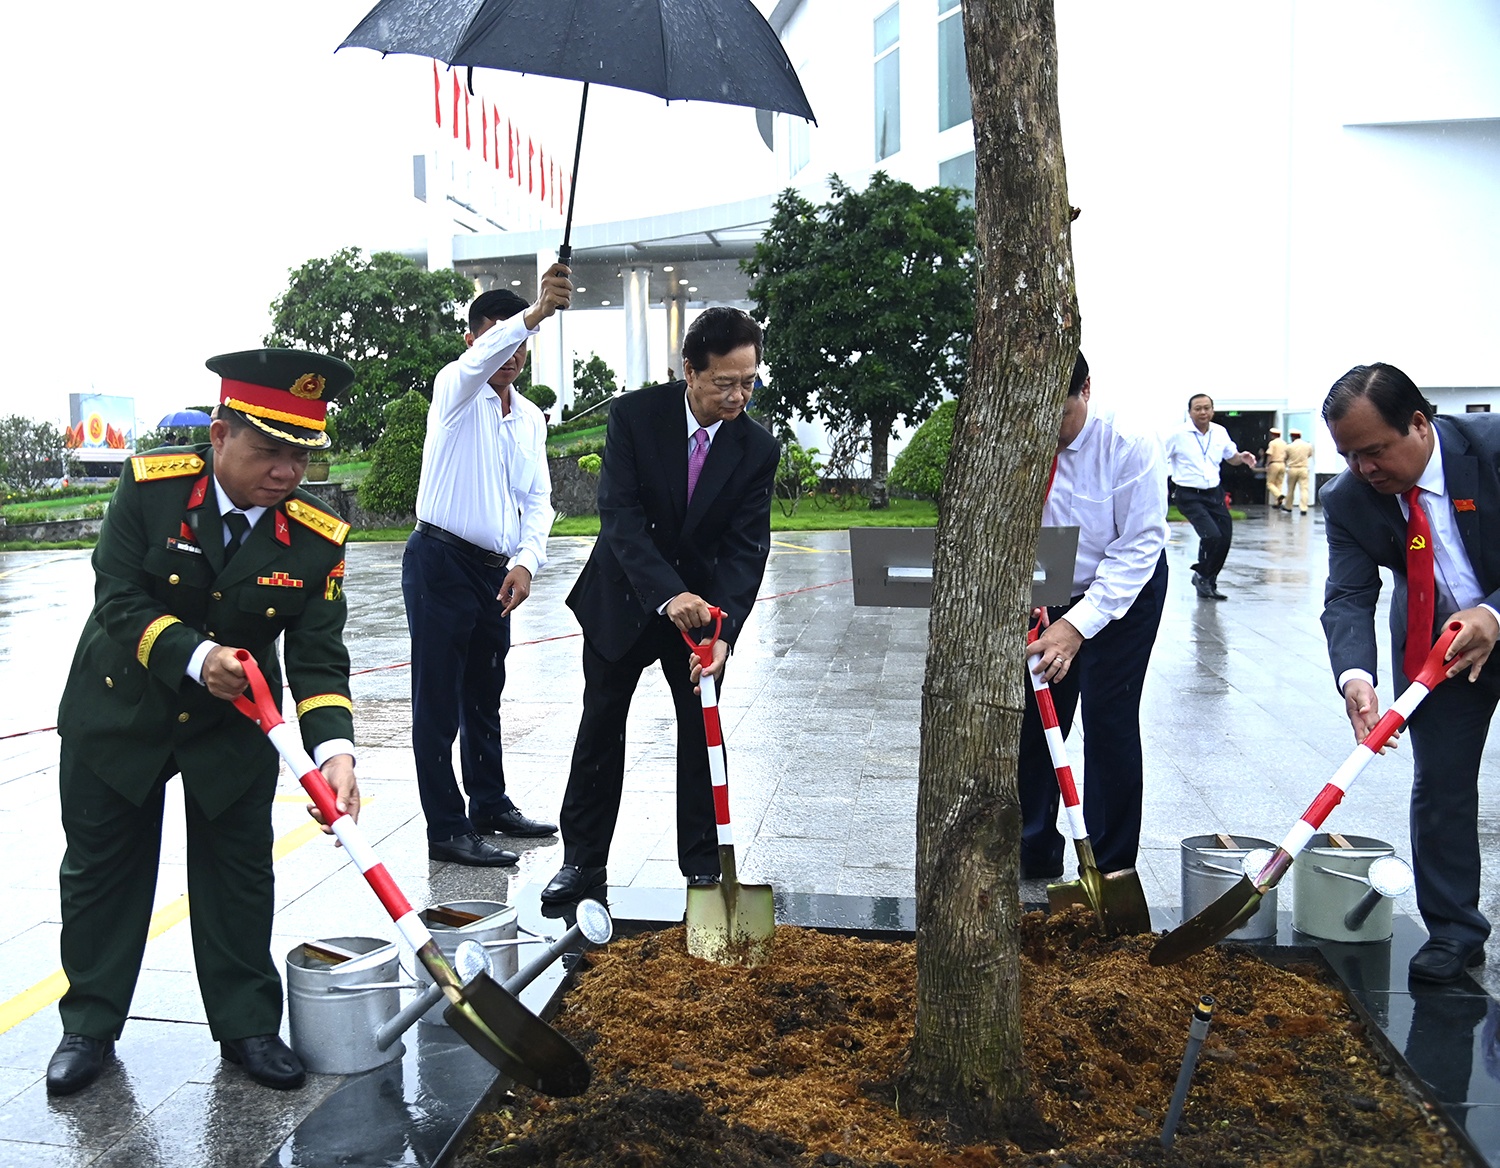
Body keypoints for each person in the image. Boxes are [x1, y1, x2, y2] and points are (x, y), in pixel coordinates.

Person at [49, 349, 361, 1096]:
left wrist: (336, 752)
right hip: (119, 705)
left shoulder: (319, 536)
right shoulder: (151, 488)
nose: (286, 472)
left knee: (239, 872)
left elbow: (319, 657)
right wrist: (195, 656)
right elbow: (117, 596)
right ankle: (88, 1025)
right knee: (102, 874)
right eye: (268, 451)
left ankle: (248, 1025)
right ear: (219, 434)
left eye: (302, 454)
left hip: (235, 723)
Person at [541, 307, 781, 903]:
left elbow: (746, 549)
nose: (738, 395)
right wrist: (666, 594)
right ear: (690, 371)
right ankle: (582, 862)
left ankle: (702, 866)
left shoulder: (756, 447)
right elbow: (619, 517)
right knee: (600, 727)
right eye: (724, 382)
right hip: (624, 597)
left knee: (702, 730)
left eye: (749, 381)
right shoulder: (635, 416)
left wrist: (722, 631)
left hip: (702, 616)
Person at [1320, 362, 1500, 984]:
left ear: (1419, 424)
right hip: (1441, 649)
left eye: (1374, 451)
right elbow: (1347, 595)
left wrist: (1493, 614)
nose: (1365, 470)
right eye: (1349, 456)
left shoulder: (1493, 449)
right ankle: (1454, 932)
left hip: (1491, 613)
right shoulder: (1348, 499)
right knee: (1441, 786)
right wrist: (1355, 676)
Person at [402, 268, 572, 867]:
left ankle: (489, 804)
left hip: (494, 571)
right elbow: (481, 361)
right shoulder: (456, 389)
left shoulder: (528, 417)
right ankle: (446, 827)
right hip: (440, 560)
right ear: (474, 339)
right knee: (438, 702)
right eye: (502, 340)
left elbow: (538, 500)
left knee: (484, 693)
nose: (515, 355)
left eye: (524, 347)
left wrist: (526, 561)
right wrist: (532, 314)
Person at [1020, 353, 1169, 879]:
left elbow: (1139, 545)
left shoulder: (1128, 443)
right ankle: (1033, 849)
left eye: (1057, 415)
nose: (1047, 431)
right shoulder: (1021, 431)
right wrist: (1027, 588)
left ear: (1086, 389)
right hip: (1051, 582)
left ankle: (1109, 868)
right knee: (1037, 716)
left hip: (1126, 587)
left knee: (1108, 719)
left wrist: (1078, 624)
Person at [1163, 393, 1257, 600]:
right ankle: (1203, 576)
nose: (1203, 412)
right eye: (1198, 408)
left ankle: (1207, 578)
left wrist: (1242, 458)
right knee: (1211, 535)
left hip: (1214, 492)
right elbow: (1161, 457)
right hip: (1187, 493)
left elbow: (1231, 457)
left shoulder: (1220, 432)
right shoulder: (1177, 434)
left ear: (1212, 410)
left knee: (1225, 537)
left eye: (1207, 408)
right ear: (1190, 412)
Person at [1285, 429, 1313, 514]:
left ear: (1292, 436)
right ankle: (1303, 508)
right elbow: (1309, 455)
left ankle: (1288, 507)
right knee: (1304, 489)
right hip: (1303, 469)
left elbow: (1286, 457)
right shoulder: (1307, 446)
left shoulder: (1289, 446)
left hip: (1292, 469)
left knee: (1290, 489)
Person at [1264, 428, 1288, 509]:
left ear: (1273, 435)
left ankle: (1279, 495)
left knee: (1270, 483)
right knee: (1279, 483)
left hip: (1274, 464)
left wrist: (1267, 464)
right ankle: (1278, 502)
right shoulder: (1284, 443)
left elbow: (1270, 454)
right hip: (1282, 464)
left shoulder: (1272, 443)